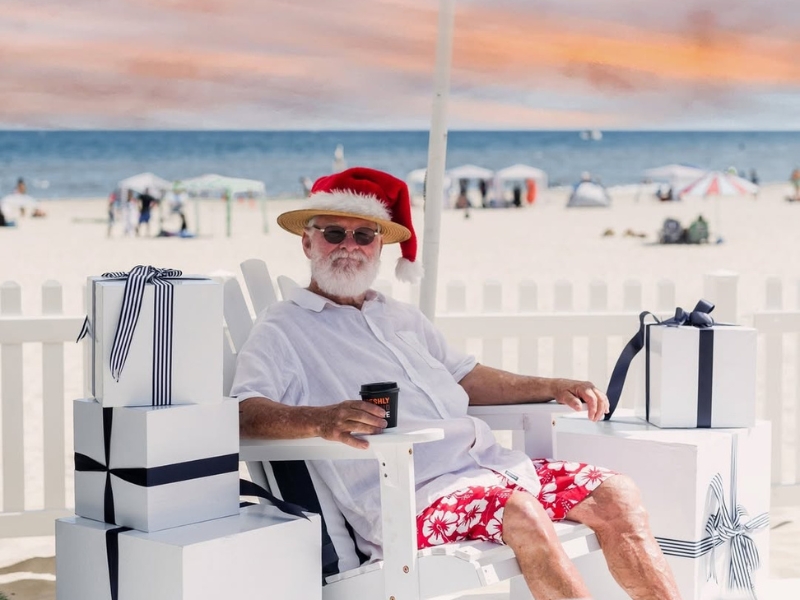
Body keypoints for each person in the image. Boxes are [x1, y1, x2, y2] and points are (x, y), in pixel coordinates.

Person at [231, 167, 682, 600]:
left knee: (615, 494)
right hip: (408, 501)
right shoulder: (283, 329)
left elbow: (465, 376)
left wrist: (551, 384)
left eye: (364, 235)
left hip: (492, 470)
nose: (349, 245)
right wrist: (321, 419)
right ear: (307, 243)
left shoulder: (400, 316)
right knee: (523, 511)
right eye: (333, 233)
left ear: (379, 248)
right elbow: (241, 412)